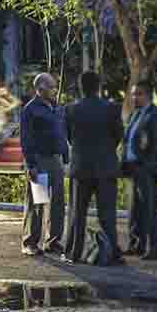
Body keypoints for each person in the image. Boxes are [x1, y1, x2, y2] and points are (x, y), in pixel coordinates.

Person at [63, 71, 125, 264]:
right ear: (98, 87)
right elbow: (118, 135)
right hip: (106, 167)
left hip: (80, 167)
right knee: (107, 214)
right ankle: (110, 254)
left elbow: (69, 137)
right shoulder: (112, 108)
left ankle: (73, 252)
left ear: (81, 87)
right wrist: (106, 151)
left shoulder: (71, 110)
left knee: (76, 213)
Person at [20, 72, 68, 256]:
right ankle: (30, 242)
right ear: (40, 89)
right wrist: (31, 164)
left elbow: (62, 134)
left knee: (57, 202)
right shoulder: (30, 109)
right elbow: (26, 139)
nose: (55, 90)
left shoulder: (56, 107)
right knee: (37, 202)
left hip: (56, 160)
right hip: (39, 160)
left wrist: (65, 158)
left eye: (55, 86)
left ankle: (53, 242)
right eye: (52, 87)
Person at [122, 80, 157, 260]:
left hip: (147, 170)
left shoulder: (155, 115)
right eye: (133, 94)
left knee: (150, 210)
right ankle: (136, 244)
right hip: (133, 168)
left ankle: (156, 248)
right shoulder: (135, 114)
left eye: (138, 94)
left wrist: (147, 168)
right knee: (134, 210)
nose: (134, 97)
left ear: (148, 95)